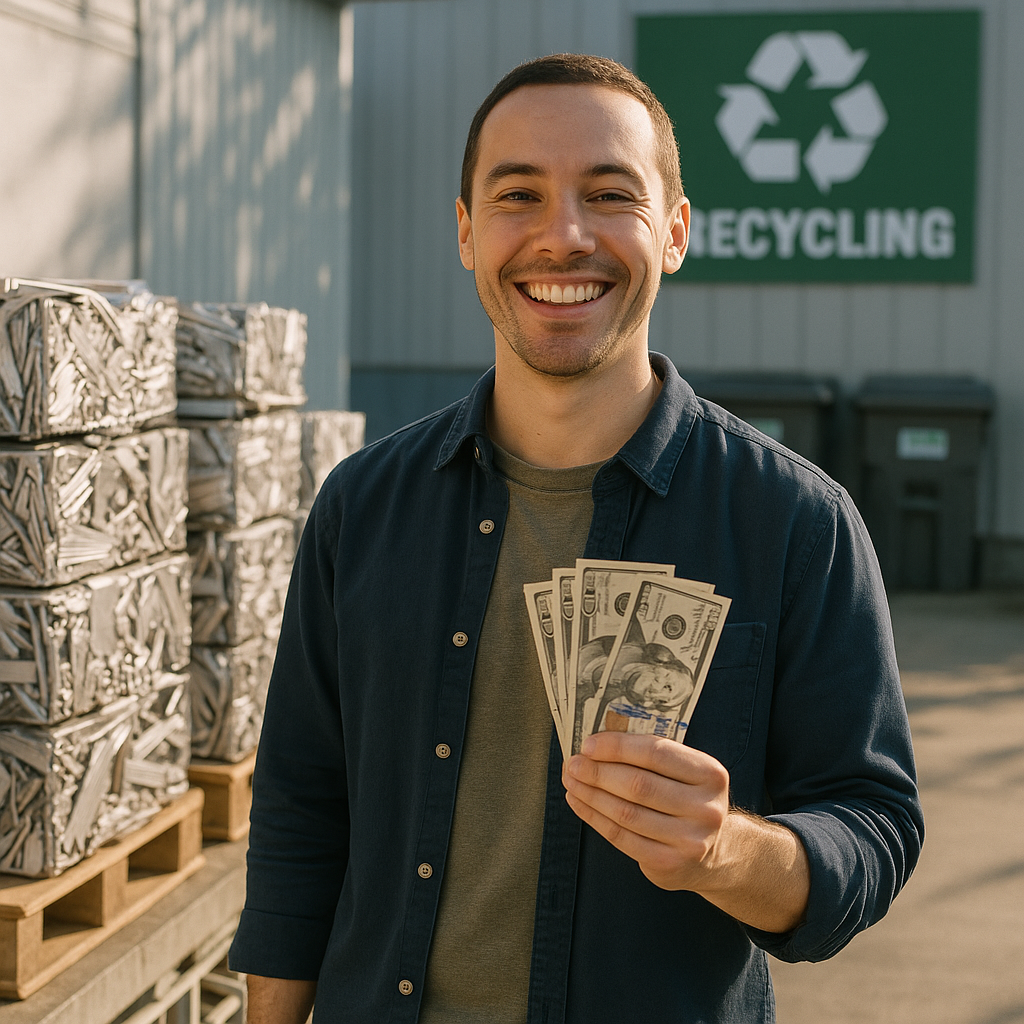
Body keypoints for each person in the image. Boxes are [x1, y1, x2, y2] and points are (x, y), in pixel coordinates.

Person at [229, 53, 924, 1023]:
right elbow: (303, 804)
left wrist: (725, 847)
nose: (563, 236)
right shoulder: (360, 506)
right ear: (466, 234)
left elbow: (872, 827)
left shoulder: (795, 525)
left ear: (675, 233)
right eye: (518, 195)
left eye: (609, 195)